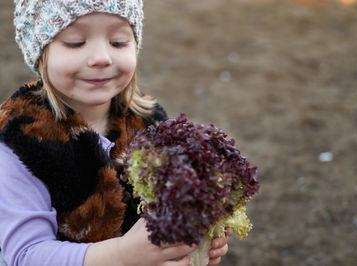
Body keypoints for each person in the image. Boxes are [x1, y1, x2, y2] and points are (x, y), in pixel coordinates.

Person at [0, 1, 232, 265]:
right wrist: (124, 254)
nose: (102, 57)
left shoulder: (150, 122)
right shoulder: (20, 141)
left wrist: (189, 248)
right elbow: (27, 254)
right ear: (41, 52)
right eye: (76, 42)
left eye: (119, 42)